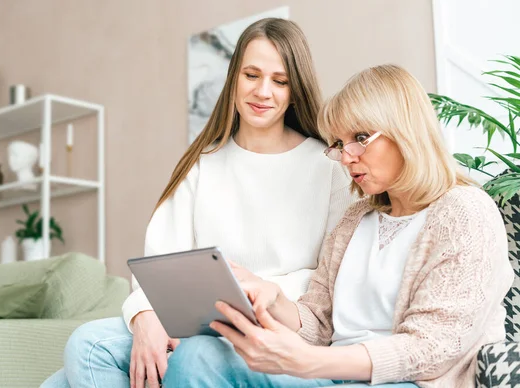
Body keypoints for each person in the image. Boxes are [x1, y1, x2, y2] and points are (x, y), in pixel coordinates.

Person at [41, 17, 355, 388]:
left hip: (276, 328)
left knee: (68, 375)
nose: (263, 91)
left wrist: (261, 292)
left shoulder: (328, 167)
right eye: (251, 75)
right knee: (86, 346)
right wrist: (145, 317)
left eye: (280, 80)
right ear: (233, 78)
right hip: (195, 324)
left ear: (295, 89)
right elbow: (159, 265)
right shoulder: (202, 163)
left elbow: (333, 281)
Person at [162, 64, 515, 388]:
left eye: (360, 137)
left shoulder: (464, 211)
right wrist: (271, 298)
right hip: (329, 374)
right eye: (339, 144)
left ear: (405, 130)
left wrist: (311, 363)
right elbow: (318, 325)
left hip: (405, 382)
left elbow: (431, 348)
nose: (347, 157)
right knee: (197, 355)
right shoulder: (355, 218)